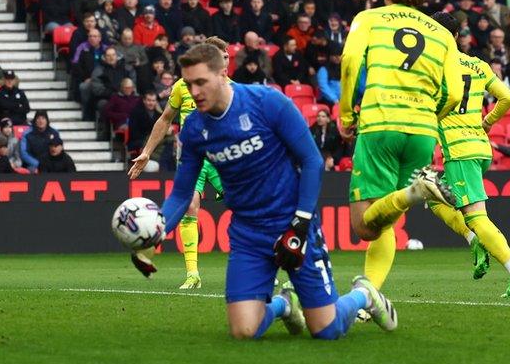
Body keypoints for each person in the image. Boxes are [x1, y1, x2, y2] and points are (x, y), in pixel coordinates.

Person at [133, 43, 398, 341]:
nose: (193, 92)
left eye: (200, 82)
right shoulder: (194, 128)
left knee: (327, 330)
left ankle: (364, 294)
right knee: (244, 330)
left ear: (223, 74)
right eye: (188, 84)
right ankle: (285, 304)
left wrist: (300, 222)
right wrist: (155, 233)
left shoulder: (267, 102)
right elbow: (182, 194)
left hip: (293, 224)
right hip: (248, 234)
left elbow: (311, 160)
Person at [339, 0, 464, 293]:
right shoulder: (441, 33)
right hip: (423, 133)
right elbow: (454, 92)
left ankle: (416, 190)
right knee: (386, 220)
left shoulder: (369, 18)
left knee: (364, 227)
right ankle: (369, 295)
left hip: (381, 125)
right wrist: (429, 117)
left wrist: (347, 115)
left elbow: (350, 61)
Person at [427, 11, 510, 297]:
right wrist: (486, 123)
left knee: (475, 216)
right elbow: (507, 97)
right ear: (459, 36)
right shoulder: (477, 64)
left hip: (459, 151)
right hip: (480, 148)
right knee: (431, 195)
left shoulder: (435, 66)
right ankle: (474, 239)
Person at [128, 37, 231, 289]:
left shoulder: (233, 89)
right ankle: (193, 274)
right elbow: (165, 119)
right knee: (190, 207)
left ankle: (267, 266)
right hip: (193, 158)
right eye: (222, 56)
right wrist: (147, 152)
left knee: (247, 208)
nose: (226, 61)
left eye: (227, 57)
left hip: (221, 158)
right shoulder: (182, 87)